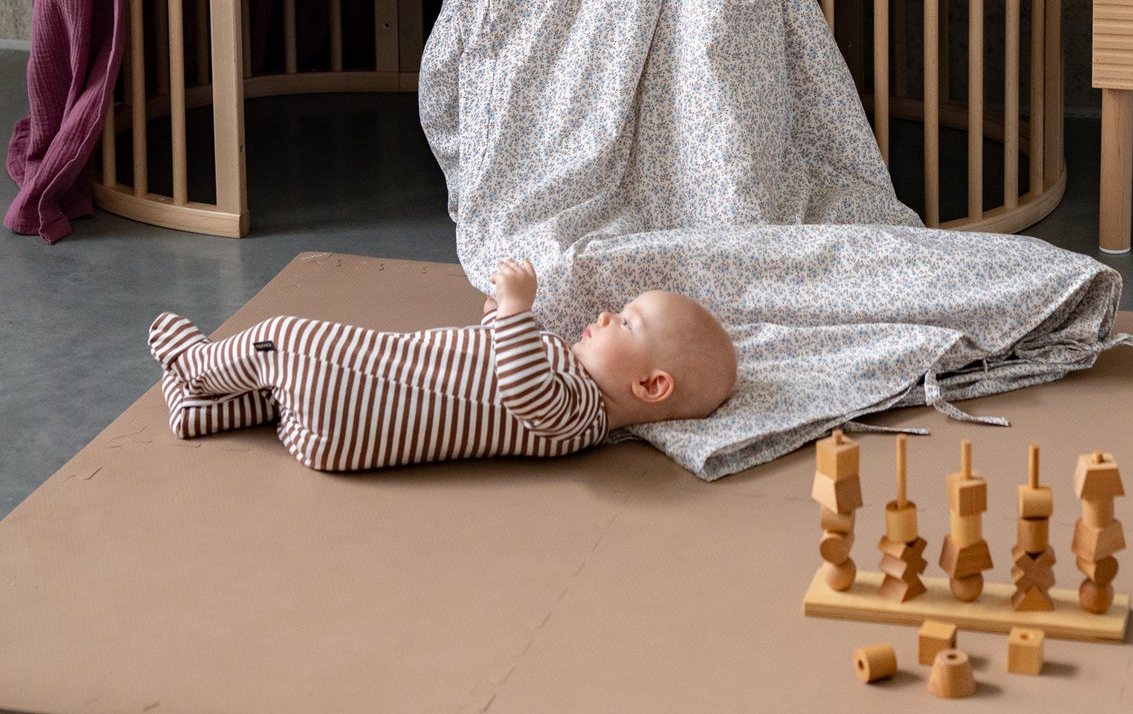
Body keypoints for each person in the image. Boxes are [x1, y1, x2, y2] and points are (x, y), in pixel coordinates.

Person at [147, 257, 736, 473]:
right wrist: (496, 317)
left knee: (285, 341)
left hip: (355, 401)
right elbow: (496, 373)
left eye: (627, 323)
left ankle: (196, 365)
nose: (606, 315)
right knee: (278, 392)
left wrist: (516, 310)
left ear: (650, 385)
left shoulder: (582, 415)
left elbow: (524, 392)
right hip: (341, 419)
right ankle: (201, 411)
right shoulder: (573, 390)